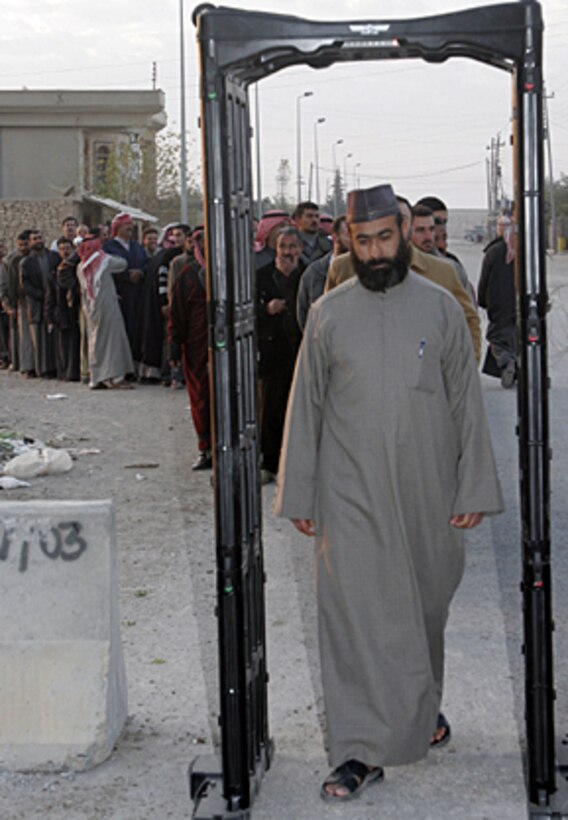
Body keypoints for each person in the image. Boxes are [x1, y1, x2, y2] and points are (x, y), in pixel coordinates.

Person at [273, 184, 503, 803]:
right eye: (363, 240)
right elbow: (306, 408)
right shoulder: (329, 313)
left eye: (385, 238)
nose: (375, 252)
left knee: (423, 606)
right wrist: (301, 494)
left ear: (403, 236)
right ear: (348, 239)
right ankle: (357, 749)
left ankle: (420, 706)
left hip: (427, 486)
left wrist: (473, 483)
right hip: (349, 488)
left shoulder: (439, 308)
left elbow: (465, 404)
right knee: (352, 615)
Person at [325, 196, 482, 363]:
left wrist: (467, 368)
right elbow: (327, 325)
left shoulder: (442, 271)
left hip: (425, 377)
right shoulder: (344, 268)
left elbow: (467, 321)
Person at [256, 227, 304, 484]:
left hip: (301, 352)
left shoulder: (308, 275)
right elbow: (247, 312)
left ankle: (298, 464)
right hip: (273, 353)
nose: (288, 253)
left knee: (300, 410)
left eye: (293, 247)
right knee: (272, 409)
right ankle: (270, 462)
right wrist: (267, 309)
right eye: (284, 247)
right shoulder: (262, 276)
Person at [168, 229, 212, 470]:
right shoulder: (188, 274)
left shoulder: (229, 271)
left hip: (224, 346)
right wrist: (174, 347)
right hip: (196, 349)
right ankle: (205, 449)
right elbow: (178, 314)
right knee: (201, 399)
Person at [76, 232, 134, 390]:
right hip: (106, 307)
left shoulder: (81, 266)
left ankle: (96, 377)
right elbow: (122, 263)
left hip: (90, 308)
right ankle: (114, 377)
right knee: (112, 341)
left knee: (95, 342)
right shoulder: (104, 261)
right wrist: (104, 253)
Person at [103, 212, 148, 372]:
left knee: (137, 331)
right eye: (126, 225)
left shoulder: (137, 247)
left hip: (137, 296)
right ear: (117, 228)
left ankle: (134, 367)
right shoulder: (108, 248)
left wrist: (140, 273)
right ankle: (120, 368)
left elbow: (146, 264)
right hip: (120, 296)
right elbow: (106, 271)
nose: (130, 227)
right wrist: (126, 275)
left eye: (131, 224)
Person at [478, 215, 517, 388]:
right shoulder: (523, 249)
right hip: (520, 305)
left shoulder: (493, 251)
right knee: (520, 338)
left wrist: (482, 300)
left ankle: (507, 362)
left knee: (497, 339)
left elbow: (484, 280)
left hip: (499, 305)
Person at [296, 214, 351, 331]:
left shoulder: (365, 271)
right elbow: (303, 312)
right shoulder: (315, 272)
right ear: (335, 238)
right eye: (348, 235)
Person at [20, 229, 59, 377]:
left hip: (52, 303)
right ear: (30, 242)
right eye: (35, 239)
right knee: (38, 337)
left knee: (52, 337)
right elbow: (25, 285)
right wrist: (42, 295)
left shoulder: (54, 257)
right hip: (37, 303)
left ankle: (54, 367)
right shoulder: (26, 262)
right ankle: (41, 369)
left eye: (40, 238)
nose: (38, 241)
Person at [45, 237, 81, 381]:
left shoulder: (77, 270)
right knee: (63, 345)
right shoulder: (54, 273)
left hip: (75, 312)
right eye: (62, 249)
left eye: (68, 248)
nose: (65, 251)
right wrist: (50, 316)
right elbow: (50, 297)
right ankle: (64, 372)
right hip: (61, 312)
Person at [292, 201, 332, 266]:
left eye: (317, 216)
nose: (314, 220)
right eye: (309, 216)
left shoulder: (329, 245)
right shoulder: (289, 244)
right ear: (298, 219)